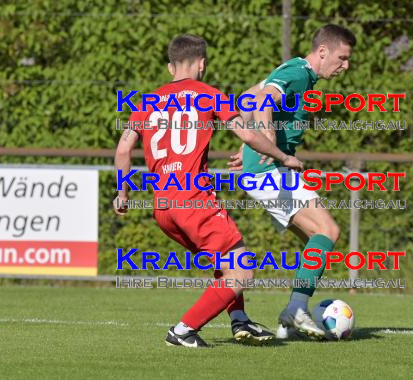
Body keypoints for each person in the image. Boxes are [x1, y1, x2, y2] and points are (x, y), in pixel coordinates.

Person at [114, 34, 304, 347]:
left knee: (225, 262)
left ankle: (240, 321)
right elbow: (248, 134)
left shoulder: (147, 101)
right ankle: (183, 330)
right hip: (193, 201)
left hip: (163, 207)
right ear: (202, 64)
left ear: (170, 67)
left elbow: (124, 149)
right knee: (242, 270)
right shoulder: (208, 94)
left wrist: (123, 193)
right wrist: (283, 156)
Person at [228, 24, 355, 339]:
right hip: (270, 171)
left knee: (317, 239)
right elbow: (262, 101)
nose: (345, 66)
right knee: (329, 230)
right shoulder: (298, 73)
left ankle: (289, 323)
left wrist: (249, 145)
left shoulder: (297, 73)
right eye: (342, 58)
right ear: (322, 51)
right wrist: (268, 142)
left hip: (262, 169)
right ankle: (295, 310)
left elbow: (247, 98)